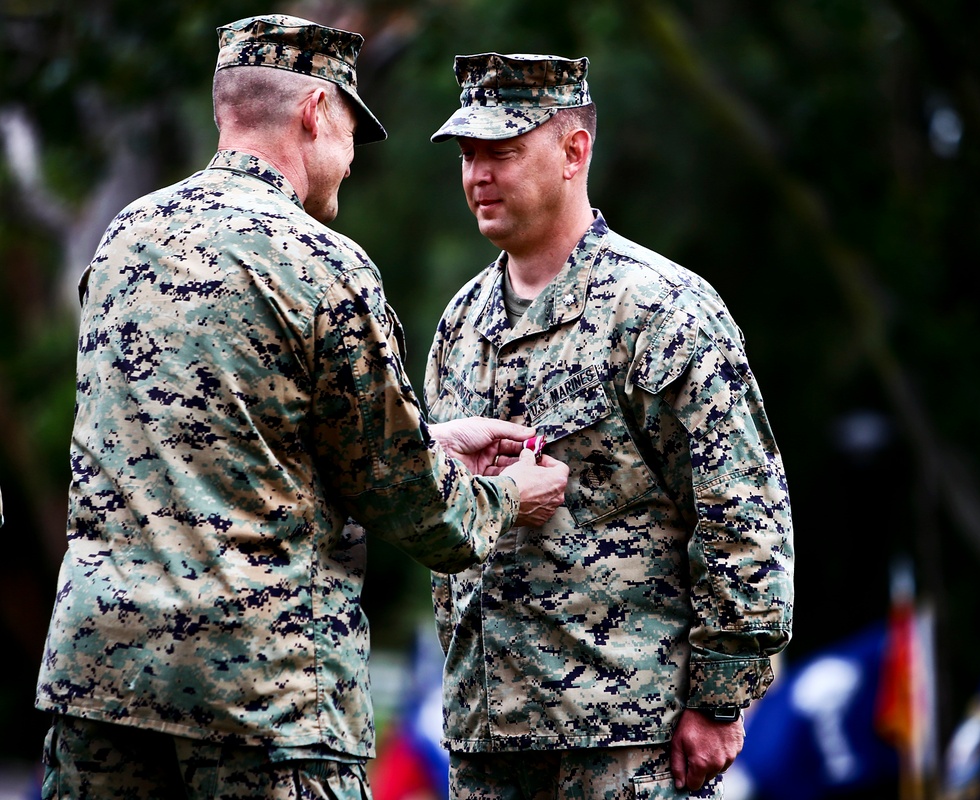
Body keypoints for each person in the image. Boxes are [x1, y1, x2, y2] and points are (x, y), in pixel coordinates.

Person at [34, 19, 567, 799]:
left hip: (101, 684)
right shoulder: (322, 264)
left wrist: (433, 439)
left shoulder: (123, 240)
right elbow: (417, 507)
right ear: (316, 112)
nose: (350, 158)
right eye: (352, 130)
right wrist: (507, 496)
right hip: (262, 701)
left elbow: (218, 440)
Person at [424, 52, 795, 799]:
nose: (478, 175)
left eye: (501, 151)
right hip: (488, 738)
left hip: (626, 738)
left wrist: (720, 699)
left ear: (574, 150)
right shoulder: (460, 324)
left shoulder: (660, 309)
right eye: (468, 155)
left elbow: (742, 511)